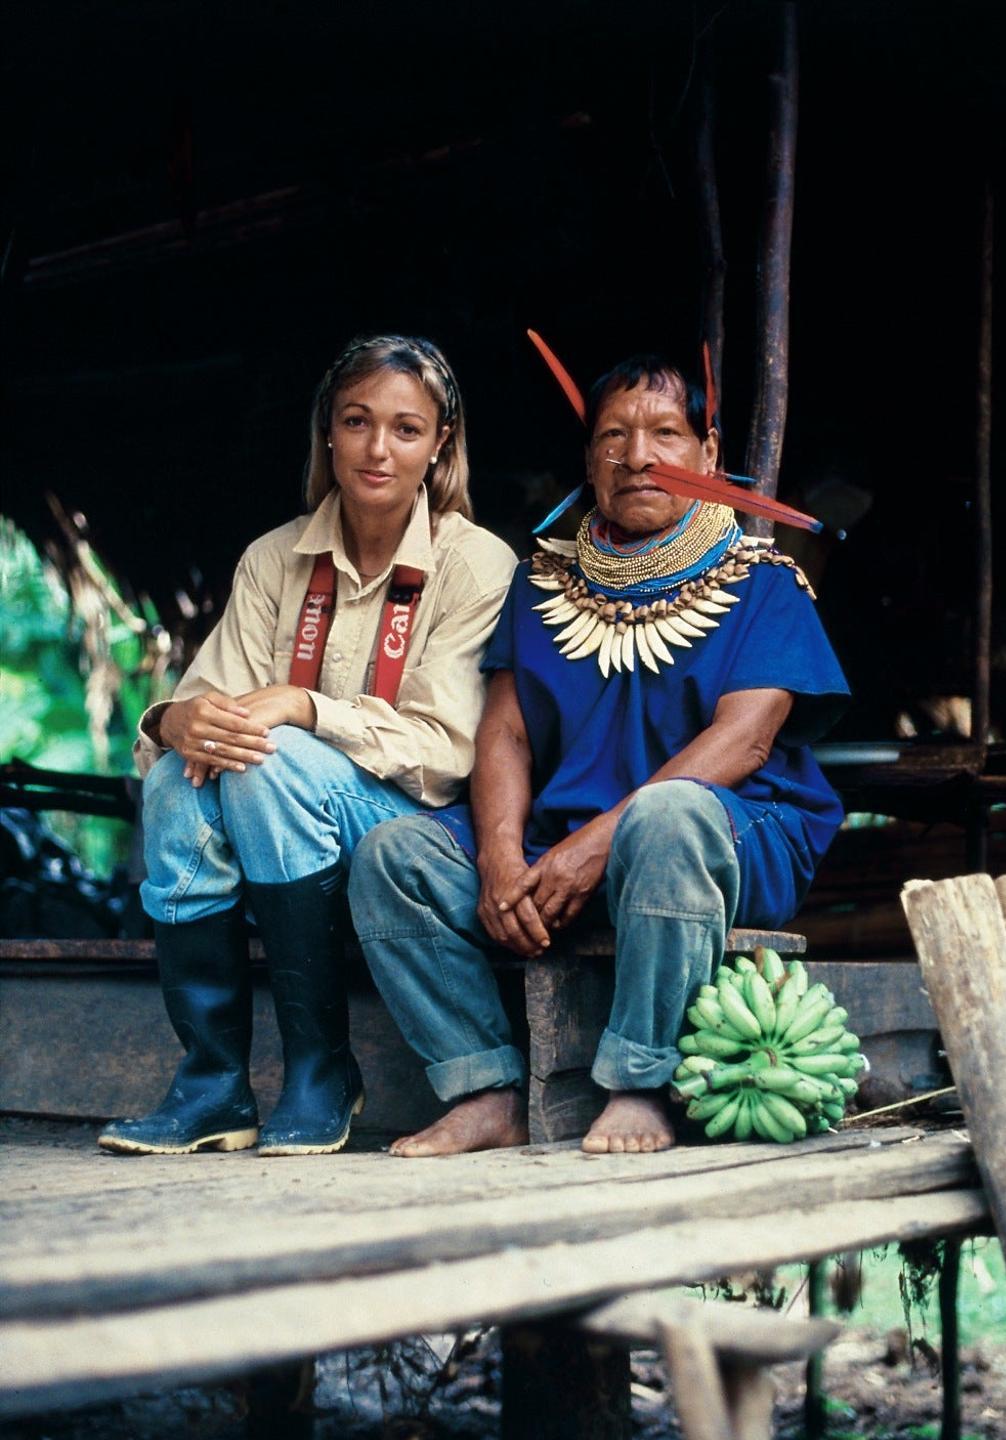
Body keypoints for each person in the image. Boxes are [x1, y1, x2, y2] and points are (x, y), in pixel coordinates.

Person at [348, 350, 850, 1156]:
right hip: (560, 844)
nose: (638, 455)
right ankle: (483, 1088)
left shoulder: (766, 584)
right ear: (590, 459)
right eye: (613, 436)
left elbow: (744, 741)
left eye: (665, 434)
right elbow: (505, 732)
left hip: (721, 837)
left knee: (669, 814)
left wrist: (595, 845)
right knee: (391, 855)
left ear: (708, 455)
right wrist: (502, 857)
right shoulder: (541, 584)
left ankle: (641, 1083)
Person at [98, 335, 517, 1156]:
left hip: (415, 836)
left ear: (441, 446)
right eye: (357, 421)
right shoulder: (274, 559)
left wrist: (305, 707)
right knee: (178, 784)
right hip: (280, 807)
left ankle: (320, 1070)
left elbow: (446, 749)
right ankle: (214, 1083)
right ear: (328, 431)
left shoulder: (476, 563)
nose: (377, 448)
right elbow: (208, 706)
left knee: (271, 760)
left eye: (405, 428)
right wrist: (171, 721)